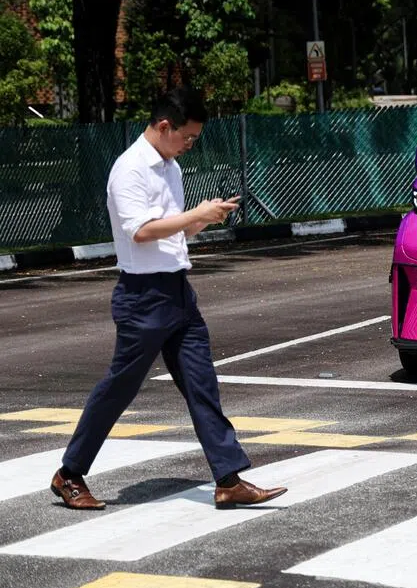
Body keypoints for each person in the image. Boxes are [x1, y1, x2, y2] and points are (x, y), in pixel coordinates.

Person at [50, 88, 287, 511]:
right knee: (118, 389)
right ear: (164, 126)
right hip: (143, 297)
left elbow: (172, 230)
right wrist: (194, 214)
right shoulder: (130, 170)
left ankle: (228, 479)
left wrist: (204, 218)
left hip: (178, 292)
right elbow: (140, 231)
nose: (190, 145)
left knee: (202, 385)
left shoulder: (170, 168)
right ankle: (69, 473)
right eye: (188, 137)